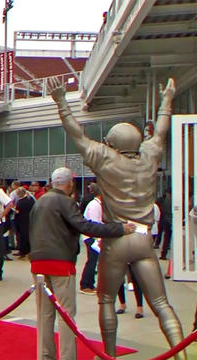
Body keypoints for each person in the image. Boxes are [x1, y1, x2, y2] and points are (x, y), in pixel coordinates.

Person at [49, 77, 187, 358]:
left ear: (111, 143)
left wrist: (62, 102)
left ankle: (110, 355)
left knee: (106, 301)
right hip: (144, 238)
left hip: (117, 239)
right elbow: (160, 132)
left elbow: (76, 133)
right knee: (161, 303)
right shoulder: (148, 155)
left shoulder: (104, 158)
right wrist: (167, 101)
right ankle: (181, 354)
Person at [29, 167, 134, 360]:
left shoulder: (40, 201)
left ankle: (44, 356)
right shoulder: (66, 201)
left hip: (38, 262)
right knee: (66, 315)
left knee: (44, 315)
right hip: (60, 262)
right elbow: (84, 226)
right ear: (69, 183)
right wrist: (119, 229)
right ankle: (67, 356)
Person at [79, 183, 102, 295]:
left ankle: (90, 283)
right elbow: (94, 223)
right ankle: (85, 284)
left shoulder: (97, 204)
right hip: (91, 236)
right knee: (92, 261)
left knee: (93, 260)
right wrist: (98, 238)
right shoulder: (95, 205)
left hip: (93, 235)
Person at [13, 187, 34, 258]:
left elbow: (18, 212)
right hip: (30, 220)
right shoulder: (30, 199)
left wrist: (14, 210)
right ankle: (28, 251)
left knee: (22, 237)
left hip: (22, 221)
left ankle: (23, 251)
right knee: (28, 236)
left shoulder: (21, 202)